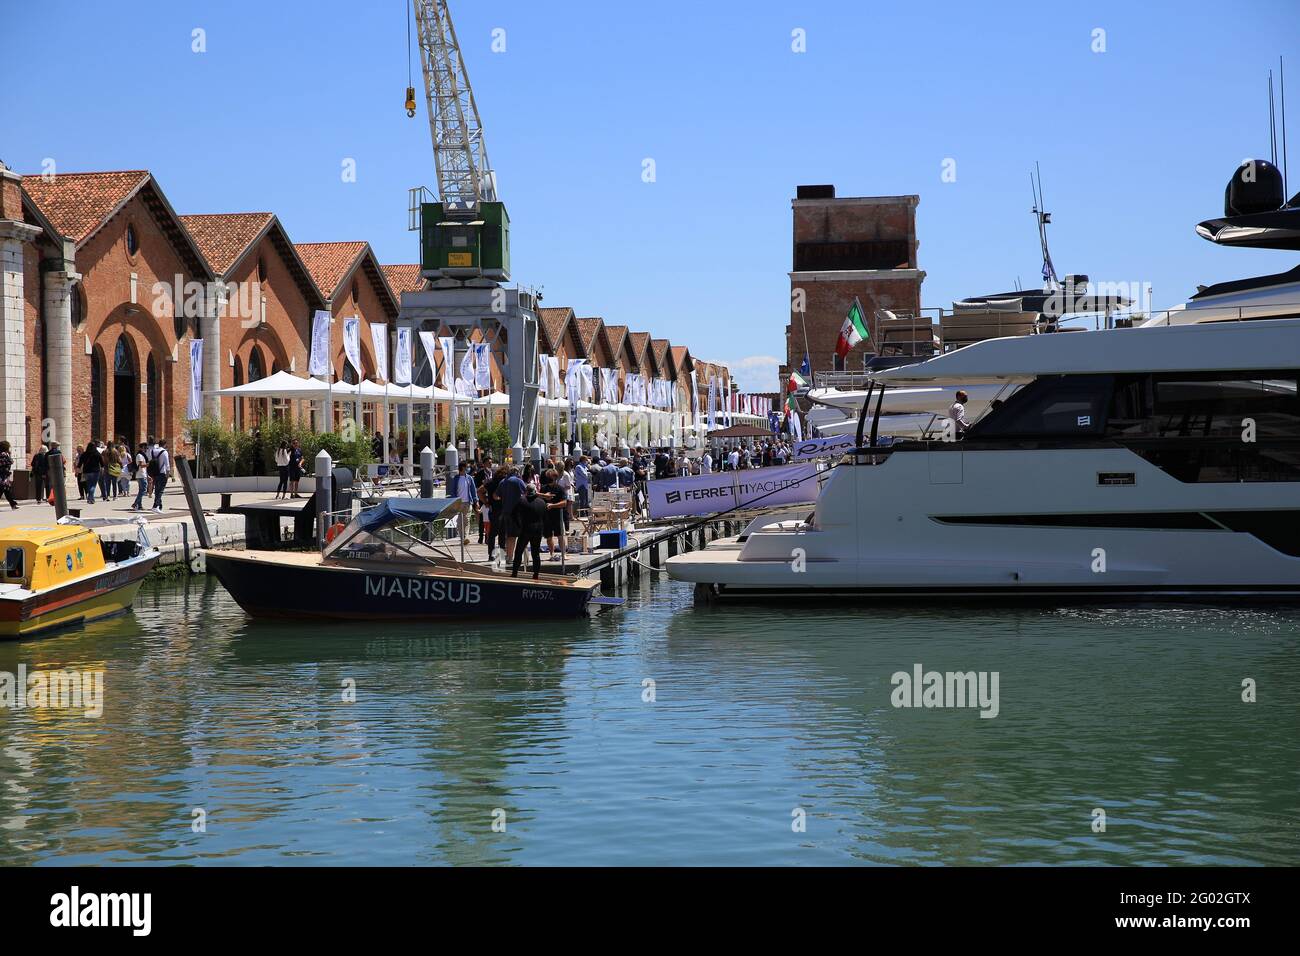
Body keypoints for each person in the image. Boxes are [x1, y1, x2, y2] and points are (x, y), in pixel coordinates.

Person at [512, 485, 551, 580]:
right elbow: (546, 519)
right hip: (538, 531)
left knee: (518, 552)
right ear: (535, 491)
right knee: (536, 553)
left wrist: (518, 526)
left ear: (526, 491)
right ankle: (536, 575)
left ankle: (514, 574)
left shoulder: (521, 501)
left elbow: (514, 515)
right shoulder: (542, 502)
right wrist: (547, 532)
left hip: (525, 529)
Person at [496, 466, 527, 566]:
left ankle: (509, 557)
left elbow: (495, 496)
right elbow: (527, 493)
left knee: (510, 537)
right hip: (518, 512)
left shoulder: (502, 482)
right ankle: (524, 557)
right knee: (522, 536)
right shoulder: (518, 481)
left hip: (506, 512)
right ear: (517, 473)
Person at [447, 461, 478, 543]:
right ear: (463, 468)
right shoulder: (456, 479)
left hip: (468, 502)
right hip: (459, 503)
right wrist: (453, 501)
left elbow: (473, 490)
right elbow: (453, 491)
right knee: (459, 522)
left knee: (467, 520)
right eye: (467, 467)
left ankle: (466, 537)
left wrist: (476, 501)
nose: (468, 468)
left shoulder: (469, 478)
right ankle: (462, 537)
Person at [150, 439, 171, 513]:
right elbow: (167, 465)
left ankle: (159, 505)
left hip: (154, 473)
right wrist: (168, 475)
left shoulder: (153, 451)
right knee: (160, 491)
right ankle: (155, 506)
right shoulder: (164, 452)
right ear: (165, 444)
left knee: (157, 490)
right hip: (162, 473)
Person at [131, 442, 150, 511]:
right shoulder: (139, 455)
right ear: (141, 448)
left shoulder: (142, 455)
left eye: (146, 448)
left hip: (142, 474)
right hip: (141, 474)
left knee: (141, 490)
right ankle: (135, 503)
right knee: (143, 490)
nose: (146, 449)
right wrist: (149, 464)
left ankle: (140, 505)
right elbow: (141, 465)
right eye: (145, 448)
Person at [0, 441, 19, 510]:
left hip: (5, 475)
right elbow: (6, 462)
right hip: (2, 475)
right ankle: (13, 504)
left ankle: (13, 504)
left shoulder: (5, 454)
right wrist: (10, 459)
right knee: (3, 489)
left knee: (7, 490)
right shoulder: (3, 454)